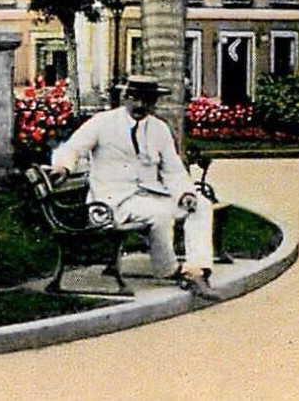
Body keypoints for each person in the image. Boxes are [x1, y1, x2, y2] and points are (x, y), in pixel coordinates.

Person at [46, 74, 217, 297]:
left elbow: (173, 169)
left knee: (200, 205)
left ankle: (196, 271)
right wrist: (63, 166)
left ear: (154, 102)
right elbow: (72, 148)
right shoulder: (103, 123)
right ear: (124, 97)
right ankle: (169, 270)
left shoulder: (159, 129)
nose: (140, 105)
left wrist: (185, 193)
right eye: (134, 98)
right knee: (160, 214)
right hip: (112, 203)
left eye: (147, 100)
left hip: (149, 196)